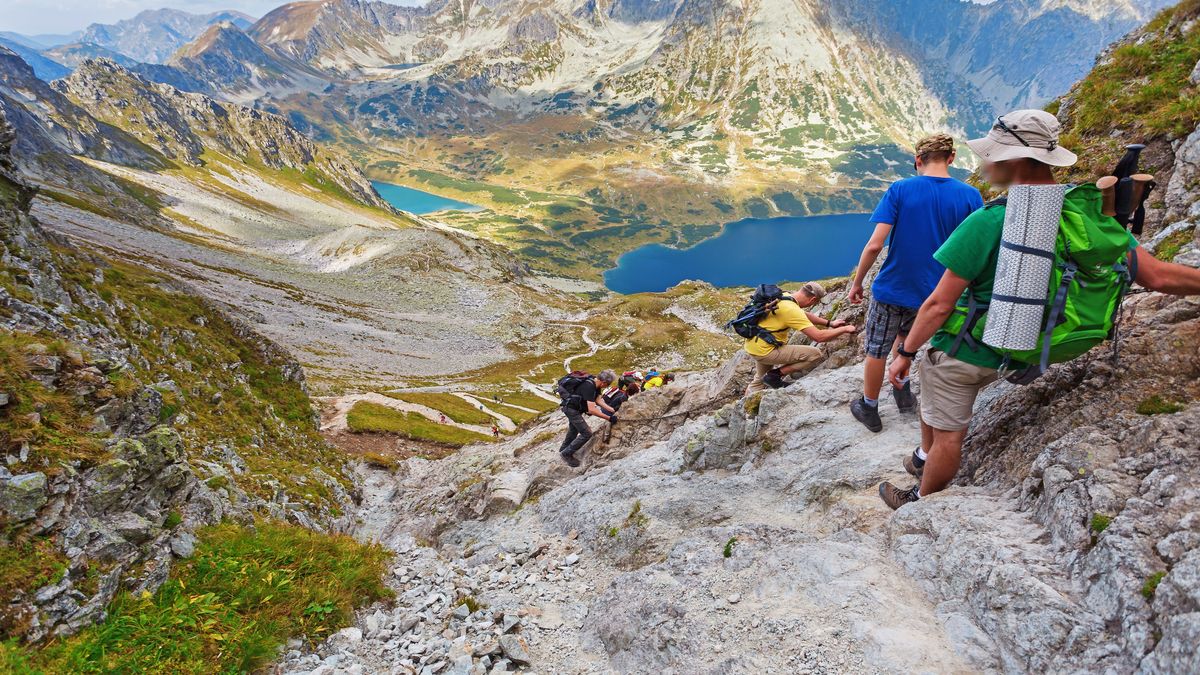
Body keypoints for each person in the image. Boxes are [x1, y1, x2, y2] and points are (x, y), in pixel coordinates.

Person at [878, 109, 1200, 510]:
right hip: (1036, 345)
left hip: (969, 350)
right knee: (936, 391)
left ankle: (920, 500)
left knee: (944, 416)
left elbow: (939, 303)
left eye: (991, 154)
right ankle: (923, 459)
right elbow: (1159, 277)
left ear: (1012, 160)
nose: (984, 162)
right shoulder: (1085, 210)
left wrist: (905, 353)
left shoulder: (989, 220)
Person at [849, 133, 983, 433]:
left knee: (876, 350)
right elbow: (973, 247)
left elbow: (874, 246)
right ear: (951, 158)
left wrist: (857, 283)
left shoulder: (900, 189)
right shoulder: (970, 196)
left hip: (892, 288)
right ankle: (904, 393)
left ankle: (869, 407)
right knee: (907, 343)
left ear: (918, 161)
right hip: (934, 294)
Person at [744, 282, 857, 395]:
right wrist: (845, 329)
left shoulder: (784, 296)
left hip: (754, 345)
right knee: (815, 354)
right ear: (813, 300)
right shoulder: (791, 310)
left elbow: (805, 315)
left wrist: (829, 323)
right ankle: (774, 376)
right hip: (766, 350)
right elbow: (818, 337)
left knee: (758, 381)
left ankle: (745, 406)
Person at [557, 369, 617, 467]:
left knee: (573, 430)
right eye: (608, 384)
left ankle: (563, 449)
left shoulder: (595, 383)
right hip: (571, 410)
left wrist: (612, 410)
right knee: (587, 433)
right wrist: (609, 418)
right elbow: (592, 410)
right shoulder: (589, 387)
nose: (607, 386)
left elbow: (598, 400)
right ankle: (566, 454)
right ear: (604, 383)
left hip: (573, 408)